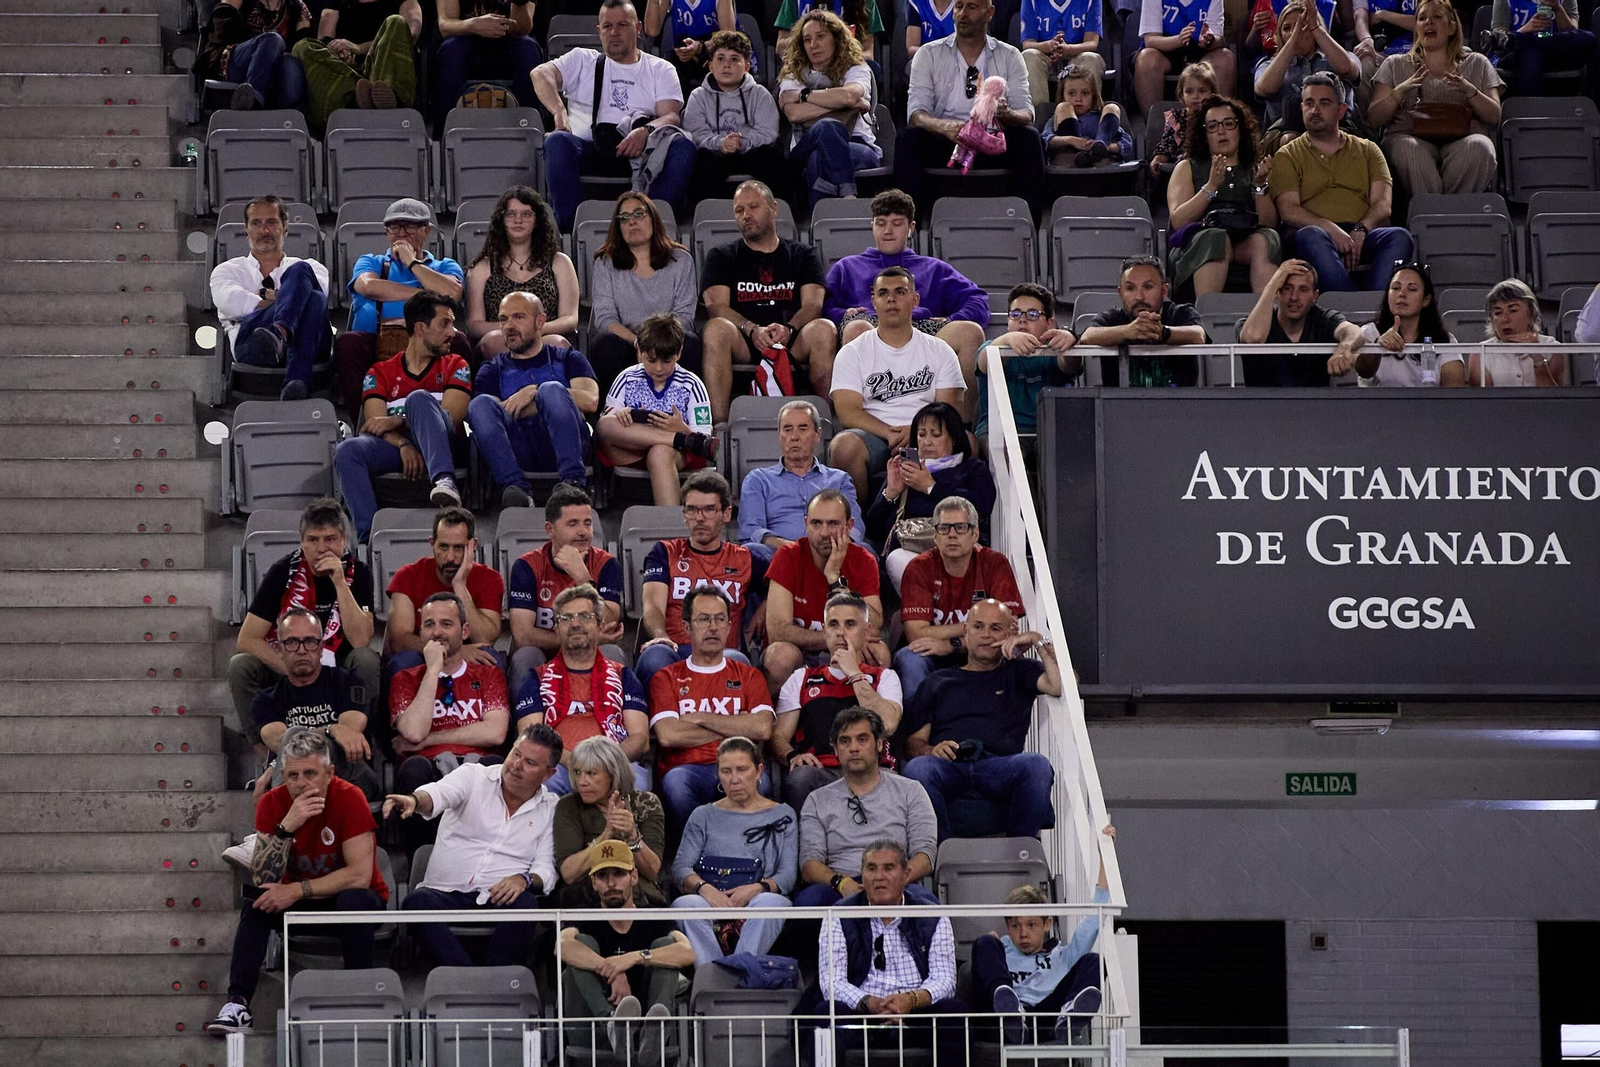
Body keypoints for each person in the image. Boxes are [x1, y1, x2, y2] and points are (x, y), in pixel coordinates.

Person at [204, 729, 386, 1036]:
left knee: (354, 899)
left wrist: (296, 890)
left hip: (350, 898)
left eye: (311, 774)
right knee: (256, 902)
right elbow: (263, 876)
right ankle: (238, 1004)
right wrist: (286, 827)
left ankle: (360, 994)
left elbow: (359, 875)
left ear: (329, 773)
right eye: (293, 775)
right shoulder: (273, 803)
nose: (301, 783)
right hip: (297, 901)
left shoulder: (349, 797)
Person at [388, 723, 561, 966]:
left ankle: (491, 978)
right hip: (444, 892)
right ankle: (470, 980)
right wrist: (414, 800)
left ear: (548, 774)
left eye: (530, 763)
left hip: (499, 897)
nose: (516, 765)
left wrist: (524, 880)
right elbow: (438, 794)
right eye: (516, 754)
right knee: (416, 903)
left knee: (528, 905)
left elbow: (546, 868)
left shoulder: (551, 808)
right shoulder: (473, 776)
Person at [824, 190, 989, 420]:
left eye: (896, 224)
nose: (888, 230)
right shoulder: (847, 267)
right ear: (872, 226)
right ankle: (859, 425)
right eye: (880, 224)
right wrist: (842, 313)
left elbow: (978, 299)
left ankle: (959, 427)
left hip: (921, 329)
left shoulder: (934, 268)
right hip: (870, 328)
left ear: (910, 227)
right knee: (857, 328)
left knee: (970, 331)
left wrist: (952, 319)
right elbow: (822, 305)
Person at [903, 599, 1061, 840]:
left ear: (1010, 633)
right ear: (965, 631)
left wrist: (1037, 641)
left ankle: (1019, 852)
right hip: (949, 766)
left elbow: (1060, 685)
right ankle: (940, 854)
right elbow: (913, 743)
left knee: (1036, 765)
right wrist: (932, 750)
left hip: (1000, 767)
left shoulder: (1019, 671)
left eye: (996, 628)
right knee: (919, 768)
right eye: (978, 627)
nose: (986, 635)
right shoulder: (937, 681)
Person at [531, 0, 695, 231]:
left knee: (683, 146)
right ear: (599, 31)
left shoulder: (660, 68)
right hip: (591, 149)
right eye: (607, 26)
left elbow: (671, 116)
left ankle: (654, 225)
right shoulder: (582, 60)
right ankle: (574, 230)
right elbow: (539, 74)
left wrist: (645, 132)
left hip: (642, 151)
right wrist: (559, 111)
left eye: (623, 25)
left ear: (637, 29)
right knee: (556, 141)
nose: (614, 33)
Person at [228, 498, 378, 750]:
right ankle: (265, 755)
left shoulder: (358, 574)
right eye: (313, 540)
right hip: (289, 663)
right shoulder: (283, 572)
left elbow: (361, 640)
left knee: (367, 659)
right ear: (301, 542)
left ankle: (351, 746)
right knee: (240, 665)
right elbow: (247, 639)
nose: (322, 549)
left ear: (343, 541)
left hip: (337, 670)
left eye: (330, 539)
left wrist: (340, 583)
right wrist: (296, 666)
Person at [814, 840, 967, 1067]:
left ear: (906, 874)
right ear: (862, 876)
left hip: (915, 1015)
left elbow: (945, 980)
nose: (879, 877)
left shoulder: (933, 916)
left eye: (888, 868)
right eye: (871, 868)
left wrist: (911, 1000)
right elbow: (832, 982)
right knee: (825, 1013)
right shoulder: (838, 916)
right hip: (862, 1016)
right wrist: (869, 1003)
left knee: (954, 1012)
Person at [333, 291, 471, 541]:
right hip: (397, 448)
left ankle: (444, 481)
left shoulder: (456, 365)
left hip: (446, 445)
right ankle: (369, 537)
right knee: (348, 450)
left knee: (419, 398)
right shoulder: (380, 372)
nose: (453, 332)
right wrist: (404, 444)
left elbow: (452, 417)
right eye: (445, 323)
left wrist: (399, 420)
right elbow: (374, 425)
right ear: (420, 328)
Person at [895, 0, 1045, 217]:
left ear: (990, 13)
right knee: (908, 140)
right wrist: (944, 127)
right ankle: (910, 231)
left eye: (972, 7)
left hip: (993, 140)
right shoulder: (928, 54)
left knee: (1030, 139)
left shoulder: (1010, 55)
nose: (962, 14)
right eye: (958, 7)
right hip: (948, 140)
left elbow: (1027, 113)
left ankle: (1028, 228)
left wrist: (1008, 114)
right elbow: (916, 114)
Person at [1267, 74, 1414, 294]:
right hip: (1315, 237)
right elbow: (1288, 210)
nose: (1315, 110)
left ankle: (1371, 305)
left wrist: (1360, 229)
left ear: (1341, 110)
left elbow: (1383, 204)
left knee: (1400, 236)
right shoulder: (1287, 155)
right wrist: (1331, 230)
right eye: (1309, 103)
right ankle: (1353, 306)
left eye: (1324, 103)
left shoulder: (1368, 150)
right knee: (1311, 235)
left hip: (1362, 233)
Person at [827, 266, 965, 500]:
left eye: (900, 292)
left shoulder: (940, 351)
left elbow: (948, 410)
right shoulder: (853, 352)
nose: (891, 299)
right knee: (843, 445)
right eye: (883, 293)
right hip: (875, 435)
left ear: (915, 299)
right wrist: (890, 433)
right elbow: (847, 412)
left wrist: (916, 433)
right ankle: (857, 528)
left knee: (967, 442)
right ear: (873, 301)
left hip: (928, 435)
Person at [648, 586, 776, 836]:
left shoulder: (749, 676)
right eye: (704, 619)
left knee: (760, 781)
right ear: (687, 627)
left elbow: (762, 728)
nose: (713, 627)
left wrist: (703, 719)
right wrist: (737, 726)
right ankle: (696, 859)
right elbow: (669, 735)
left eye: (720, 619)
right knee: (677, 784)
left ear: (729, 627)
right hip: (687, 769)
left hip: (741, 765)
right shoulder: (666, 678)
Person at [700, 181, 837, 406]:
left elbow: (813, 304)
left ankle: (827, 417)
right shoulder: (721, 256)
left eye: (753, 207)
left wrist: (789, 329)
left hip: (792, 339)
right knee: (715, 329)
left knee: (824, 329)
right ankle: (720, 428)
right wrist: (752, 330)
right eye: (739, 210)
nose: (746, 215)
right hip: (743, 340)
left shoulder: (803, 254)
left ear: (773, 209)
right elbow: (716, 306)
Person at [559, 843, 697, 1065]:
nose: (611, 883)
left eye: (619, 874)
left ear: (633, 877)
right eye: (602, 876)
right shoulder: (583, 914)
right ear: (593, 882)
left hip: (643, 1037)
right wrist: (612, 969)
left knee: (666, 946)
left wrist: (633, 957)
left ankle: (655, 1032)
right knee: (580, 943)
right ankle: (611, 1023)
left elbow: (687, 952)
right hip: (592, 1032)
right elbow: (562, 946)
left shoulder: (654, 915)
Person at [977, 826, 1115, 1046]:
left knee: (1094, 961)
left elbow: (1093, 921)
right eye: (1015, 926)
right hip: (1005, 1021)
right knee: (983, 943)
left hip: (1048, 1020)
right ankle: (1010, 1009)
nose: (1023, 933)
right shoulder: (1000, 948)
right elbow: (986, 954)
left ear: (1047, 924)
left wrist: (1105, 857)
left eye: (1031, 925)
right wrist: (989, 945)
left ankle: (1069, 1018)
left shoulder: (1063, 955)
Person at [388, 593, 512, 840]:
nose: (437, 632)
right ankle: (423, 863)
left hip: (477, 766)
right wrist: (433, 669)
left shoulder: (489, 675)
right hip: (428, 770)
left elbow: (496, 733)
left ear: (464, 631)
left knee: (494, 768)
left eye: (446, 624)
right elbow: (412, 732)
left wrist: (427, 741)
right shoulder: (405, 679)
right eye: (429, 624)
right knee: (413, 769)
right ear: (421, 632)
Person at [333, 198, 467, 421]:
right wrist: (427, 296)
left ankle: (448, 423)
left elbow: (452, 293)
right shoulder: (372, 262)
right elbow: (368, 286)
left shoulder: (445, 266)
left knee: (460, 341)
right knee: (347, 343)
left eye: (410, 226)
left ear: (426, 230)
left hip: (430, 343)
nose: (401, 234)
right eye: (395, 227)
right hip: (376, 341)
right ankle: (367, 423)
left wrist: (412, 262)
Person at [772, 593, 903, 812]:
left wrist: (854, 673)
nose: (841, 632)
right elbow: (778, 736)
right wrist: (793, 755)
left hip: (872, 770)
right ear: (824, 632)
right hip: (820, 771)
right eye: (833, 624)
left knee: (893, 783)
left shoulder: (884, 677)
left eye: (850, 624)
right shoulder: (801, 678)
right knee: (800, 777)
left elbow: (888, 724)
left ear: (867, 631)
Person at [795, 707, 938, 907]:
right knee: (808, 903)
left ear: (879, 744)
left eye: (862, 739)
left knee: (927, 905)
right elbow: (809, 864)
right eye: (845, 741)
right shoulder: (817, 800)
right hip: (840, 884)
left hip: (898, 882)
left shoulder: (911, 791)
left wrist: (892, 880)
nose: (854, 748)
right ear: (835, 749)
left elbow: (926, 855)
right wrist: (841, 882)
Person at [671, 737, 798, 960]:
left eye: (742, 770)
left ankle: (738, 971)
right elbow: (681, 868)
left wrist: (756, 888)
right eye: (726, 771)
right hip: (712, 894)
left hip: (760, 895)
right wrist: (704, 888)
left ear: (759, 771)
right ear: (718, 774)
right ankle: (712, 975)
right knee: (685, 904)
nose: (735, 779)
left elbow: (787, 875)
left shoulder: (783, 815)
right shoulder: (703, 815)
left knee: (770, 905)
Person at [518, 585, 651, 795]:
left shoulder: (623, 675)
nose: (576, 624)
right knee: (542, 788)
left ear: (600, 626)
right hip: (558, 768)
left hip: (613, 764)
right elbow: (531, 736)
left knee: (639, 786)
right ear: (556, 629)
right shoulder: (537, 678)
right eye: (566, 618)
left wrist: (602, 764)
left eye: (585, 616)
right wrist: (579, 764)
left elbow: (640, 739)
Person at [468, 292, 598, 505]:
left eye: (518, 317)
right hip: (519, 448)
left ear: (540, 321)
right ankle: (515, 489)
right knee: (479, 404)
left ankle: (573, 485)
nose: (509, 325)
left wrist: (535, 393)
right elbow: (488, 419)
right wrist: (544, 403)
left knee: (552, 389)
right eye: (503, 319)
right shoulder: (491, 369)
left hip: (566, 442)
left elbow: (590, 400)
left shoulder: (568, 358)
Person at [637, 471, 759, 686]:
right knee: (654, 658)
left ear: (727, 513)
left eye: (709, 509)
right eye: (692, 510)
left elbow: (785, 582)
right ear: (684, 514)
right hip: (675, 649)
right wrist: (660, 636)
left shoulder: (745, 558)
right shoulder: (665, 552)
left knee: (738, 661)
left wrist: (764, 608)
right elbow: (652, 606)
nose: (699, 518)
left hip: (724, 652)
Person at [893, 496, 1022, 698]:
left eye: (960, 527)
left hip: (980, 649)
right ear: (935, 536)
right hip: (931, 653)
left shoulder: (995, 564)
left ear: (975, 533)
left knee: (1011, 651)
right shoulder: (919, 568)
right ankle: (920, 728)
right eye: (944, 528)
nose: (952, 535)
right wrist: (976, 628)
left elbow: (1006, 630)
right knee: (910, 658)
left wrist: (951, 644)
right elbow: (916, 634)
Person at [246, 608, 379, 804]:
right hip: (297, 783)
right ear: (279, 649)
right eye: (292, 642)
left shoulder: (349, 682)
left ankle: (278, 826)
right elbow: (288, 745)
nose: (301, 650)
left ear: (321, 647)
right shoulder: (266, 700)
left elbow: (350, 735)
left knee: (305, 740)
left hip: (352, 780)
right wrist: (331, 728)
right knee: (295, 739)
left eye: (310, 641)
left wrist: (275, 765)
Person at [1369, 1, 1502, 197]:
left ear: (1452, 26)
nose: (1428, 22)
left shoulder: (1477, 62)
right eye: (1422, 18)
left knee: (1481, 147)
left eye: (1437, 17)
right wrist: (1399, 91)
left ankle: (1447, 217)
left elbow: (1494, 116)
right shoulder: (1395, 64)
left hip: (1462, 140)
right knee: (1409, 150)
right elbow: (1373, 119)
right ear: (1416, 28)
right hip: (1409, 137)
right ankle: (1431, 216)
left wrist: (1470, 91)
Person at [763, 489, 887, 695]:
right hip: (800, 651)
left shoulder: (863, 559)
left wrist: (834, 578)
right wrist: (840, 638)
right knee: (780, 656)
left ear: (849, 526)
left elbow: (873, 625)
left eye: (833, 524)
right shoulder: (788, 556)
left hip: (845, 650)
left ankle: (865, 720)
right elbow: (778, 631)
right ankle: (779, 723)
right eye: (816, 523)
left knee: (878, 652)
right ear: (805, 524)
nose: (824, 533)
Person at [210, 194, 331, 401]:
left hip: (311, 342)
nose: (264, 230)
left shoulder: (311, 267)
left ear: (285, 227)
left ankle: (280, 332)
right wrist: (290, 299)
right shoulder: (227, 270)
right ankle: (297, 381)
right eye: (256, 223)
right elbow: (232, 303)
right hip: (253, 344)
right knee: (311, 298)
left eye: (272, 222)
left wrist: (276, 300)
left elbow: (321, 297)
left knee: (310, 288)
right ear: (246, 230)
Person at [508, 485, 627, 693]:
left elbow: (609, 622)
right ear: (550, 529)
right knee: (525, 655)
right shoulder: (527, 566)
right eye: (572, 524)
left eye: (587, 523)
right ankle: (524, 725)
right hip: (544, 654)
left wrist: (582, 578)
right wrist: (590, 637)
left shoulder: (606, 564)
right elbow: (523, 636)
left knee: (612, 653)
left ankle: (611, 722)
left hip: (590, 653)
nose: (583, 532)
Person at [864, 402, 997, 588]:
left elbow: (981, 506)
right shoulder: (906, 471)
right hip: (913, 552)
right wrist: (891, 493)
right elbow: (873, 530)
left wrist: (931, 487)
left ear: (954, 439)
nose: (927, 442)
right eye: (921, 434)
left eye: (936, 435)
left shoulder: (972, 469)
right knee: (897, 559)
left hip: (961, 547)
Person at [594, 314, 718, 506]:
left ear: (679, 352)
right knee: (604, 424)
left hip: (673, 453)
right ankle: (677, 438)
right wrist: (621, 414)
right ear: (639, 352)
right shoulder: (626, 378)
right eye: (651, 360)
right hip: (630, 449)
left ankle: (670, 529)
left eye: (666, 361)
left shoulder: (692, 384)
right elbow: (608, 422)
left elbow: (704, 440)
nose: (659, 368)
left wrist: (682, 428)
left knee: (659, 452)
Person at [587, 192, 701, 399]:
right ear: (618, 226)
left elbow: (684, 316)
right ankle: (610, 415)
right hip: (627, 340)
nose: (632, 222)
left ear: (653, 219)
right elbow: (605, 318)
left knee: (690, 342)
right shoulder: (605, 262)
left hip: (667, 339)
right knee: (604, 345)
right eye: (624, 218)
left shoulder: (681, 260)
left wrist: (654, 343)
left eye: (639, 214)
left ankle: (682, 410)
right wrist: (638, 343)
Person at [1166, 96, 1281, 300]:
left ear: (1240, 129)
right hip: (1199, 240)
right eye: (1212, 126)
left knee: (1267, 239)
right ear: (1204, 133)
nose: (1221, 131)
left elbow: (1268, 223)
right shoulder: (1187, 167)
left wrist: (1260, 185)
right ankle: (1207, 318)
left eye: (1228, 124)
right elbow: (1179, 220)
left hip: (1244, 240)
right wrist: (1210, 187)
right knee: (1217, 238)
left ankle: (1267, 317)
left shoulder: (1256, 168)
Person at [738, 399, 867, 562]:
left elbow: (855, 528)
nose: (794, 437)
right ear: (779, 435)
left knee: (865, 551)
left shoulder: (839, 479)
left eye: (802, 429)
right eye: (787, 429)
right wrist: (792, 549)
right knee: (752, 550)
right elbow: (751, 530)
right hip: (780, 556)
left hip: (831, 552)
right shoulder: (758, 480)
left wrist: (828, 549)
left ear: (818, 434)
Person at [777, 10, 882, 209]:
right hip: (805, 146)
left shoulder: (857, 69)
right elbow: (795, 114)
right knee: (827, 127)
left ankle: (820, 223)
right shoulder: (793, 74)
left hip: (857, 144)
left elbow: (849, 95)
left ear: (836, 39)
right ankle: (849, 200)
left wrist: (805, 96)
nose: (813, 45)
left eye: (820, 36)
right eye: (807, 40)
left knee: (820, 158)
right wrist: (846, 110)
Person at [383, 507, 504, 673]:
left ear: (472, 545)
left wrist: (460, 585)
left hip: (468, 659)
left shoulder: (490, 578)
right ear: (432, 543)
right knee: (405, 660)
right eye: (443, 547)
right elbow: (399, 640)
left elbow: (485, 638)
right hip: (423, 654)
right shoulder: (408, 575)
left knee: (490, 659)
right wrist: (454, 651)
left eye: (459, 548)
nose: (450, 557)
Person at [552, 736, 668, 905]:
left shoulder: (646, 803)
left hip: (640, 895)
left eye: (591, 773)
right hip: (584, 897)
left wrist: (632, 837)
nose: (582, 782)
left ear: (614, 774)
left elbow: (652, 871)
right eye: (577, 772)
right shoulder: (569, 805)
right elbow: (569, 873)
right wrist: (605, 836)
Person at [463, 187, 578, 357]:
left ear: (536, 220)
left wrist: (534, 329)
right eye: (511, 214)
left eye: (526, 214)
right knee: (492, 341)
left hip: (544, 336)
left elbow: (570, 318)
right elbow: (474, 325)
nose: (518, 220)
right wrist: (514, 329)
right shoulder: (483, 267)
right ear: (501, 219)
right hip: (502, 340)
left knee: (558, 343)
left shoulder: (559, 262)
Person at [1077, 255, 1209, 387]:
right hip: (1120, 405)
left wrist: (1162, 332)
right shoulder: (1112, 318)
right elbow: (1088, 336)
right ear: (1121, 293)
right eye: (1130, 288)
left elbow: (1198, 335)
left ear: (1164, 291)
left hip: (1180, 405)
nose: (1139, 297)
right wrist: (1128, 331)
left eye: (1148, 287)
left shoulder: (1181, 313)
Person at [683, 31, 785, 199]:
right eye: (720, 59)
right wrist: (721, 143)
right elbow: (695, 133)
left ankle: (779, 213)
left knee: (770, 157)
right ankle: (706, 216)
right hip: (715, 152)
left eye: (734, 59)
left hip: (750, 151)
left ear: (746, 67)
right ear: (710, 66)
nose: (726, 65)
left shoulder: (760, 94)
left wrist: (742, 142)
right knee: (703, 160)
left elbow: (768, 132)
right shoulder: (698, 96)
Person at [291, 0, 421, 130]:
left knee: (396, 22)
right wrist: (341, 54)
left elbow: (410, 33)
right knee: (303, 46)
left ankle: (387, 98)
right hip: (345, 71)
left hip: (383, 68)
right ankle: (357, 99)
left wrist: (359, 48)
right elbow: (326, 39)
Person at [974, 283, 1079, 443]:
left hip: (1046, 433)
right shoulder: (992, 346)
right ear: (1008, 321)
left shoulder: (1053, 352)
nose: (1022, 320)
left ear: (1049, 323)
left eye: (1032, 314)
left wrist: (1070, 340)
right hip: (996, 432)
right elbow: (985, 361)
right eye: (1015, 314)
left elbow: (1071, 365)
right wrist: (1007, 340)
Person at [1238, 258, 1366, 386]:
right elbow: (1253, 338)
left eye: (1303, 289)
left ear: (1315, 296)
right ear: (1278, 292)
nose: (1294, 297)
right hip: (1262, 405)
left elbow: (1354, 332)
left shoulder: (1323, 319)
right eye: (1288, 288)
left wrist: (1345, 348)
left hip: (1315, 404)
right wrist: (1272, 285)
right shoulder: (1249, 324)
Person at [1253, 1, 1359, 142]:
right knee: (1291, 139)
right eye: (1286, 28)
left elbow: (1348, 70)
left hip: (1339, 130)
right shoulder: (1267, 64)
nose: (1294, 32)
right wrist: (1292, 42)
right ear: (1279, 34)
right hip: (1284, 134)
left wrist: (1316, 28)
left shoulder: (1341, 56)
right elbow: (1263, 89)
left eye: (1303, 26)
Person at [1351, 261, 1462, 386]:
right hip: (1379, 405)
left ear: (1426, 300)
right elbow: (1363, 371)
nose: (1402, 294)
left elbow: (1454, 393)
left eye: (1412, 289)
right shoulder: (1368, 332)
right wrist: (1377, 346)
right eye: (1396, 288)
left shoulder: (1444, 340)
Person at [434, 0, 541, 124]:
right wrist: (473, 25)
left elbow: (523, 28)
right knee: (452, 50)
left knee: (528, 48)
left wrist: (516, 7)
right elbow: (445, 25)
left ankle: (530, 125)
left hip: (506, 40)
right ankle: (444, 128)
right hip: (465, 38)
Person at [201, 0, 311, 112]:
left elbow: (300, 48)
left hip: (274, 70)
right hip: (236, 61)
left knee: (290, 63)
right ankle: (252, 101)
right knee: (274, 40)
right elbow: (222, 33)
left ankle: (291, 117)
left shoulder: (298, 7)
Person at [1134, 0, 1235, 119]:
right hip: (1165, 48)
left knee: (1225, 59)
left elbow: (1219, 39)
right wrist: (1178, 40)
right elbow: (1150, 40)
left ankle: (1217, 124)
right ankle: (1155, 130)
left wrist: (1209, 40)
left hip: (1200, 50)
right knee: (1146, 59)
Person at [1466, 278, 1567, 387]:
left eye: (1513, 310)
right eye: (1498, 313)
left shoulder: (1552, 348)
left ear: (1531, 315)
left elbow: (1553, 399)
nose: (1505, 319)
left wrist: (1538, 359)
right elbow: (1483, 402)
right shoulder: (1480, 354)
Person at [1491, 0, 1596, 97]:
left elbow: (1573, 36)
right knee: (1531, 54)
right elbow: (1498, 44)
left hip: (1555, 51)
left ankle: (1516, 39)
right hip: (1515, 54)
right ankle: (1531, 114)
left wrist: (1558, 9)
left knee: (1589, 38)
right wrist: (1527, 29)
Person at [1020, 0, 1105, 111]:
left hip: (1078, 55)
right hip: (1044, 55)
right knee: (1029, 56)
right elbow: (1027, 44)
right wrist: (1049, 46)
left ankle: (1087, 117)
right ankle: (1038, 117)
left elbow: (1092, 43)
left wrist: (1068, 50)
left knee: (1091, 59)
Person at [1045, 64, 1130, 170]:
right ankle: (1079, 154)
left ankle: (1101, 142)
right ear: (1063, 96)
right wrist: (1072, 140)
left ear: (1093, 97)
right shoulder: (1056, 118)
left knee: (1112, 107)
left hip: (1101, 163)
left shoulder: (1100, 117)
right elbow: (1045, 141)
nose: (1078, 99)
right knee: (1063, 108)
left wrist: (1106, 147)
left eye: (1085, 93)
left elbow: (1126, 143)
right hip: (1069, 164)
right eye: (1072, 93)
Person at [644, 0, 737, 96]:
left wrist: (700, 46)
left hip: (714, 52)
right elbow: (652, 31)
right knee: (665, 72)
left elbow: (728, 36)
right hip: (683, 54)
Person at [1148, 61, 1217, 177]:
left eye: (1202, 91)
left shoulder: (1216, 118)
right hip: (1180, 170)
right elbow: (1166, 145)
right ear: (1181, 94)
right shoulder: (1175, 119)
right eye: (1189, 92)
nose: (1195, 96)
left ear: (1212, 93)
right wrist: (1159, 158)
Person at [775, 0, 885, 55]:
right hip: (805, 65)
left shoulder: (864, 1)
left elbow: (868, 52)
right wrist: (806, 40)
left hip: (849, 66)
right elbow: (780, 46)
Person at [1353, 0, 1416, 83]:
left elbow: (1428, 23)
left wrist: (1383, 15)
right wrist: (1366, 39)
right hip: (1382, 50)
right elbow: (1360, 17)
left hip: (1415, 50)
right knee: (1364, 63)